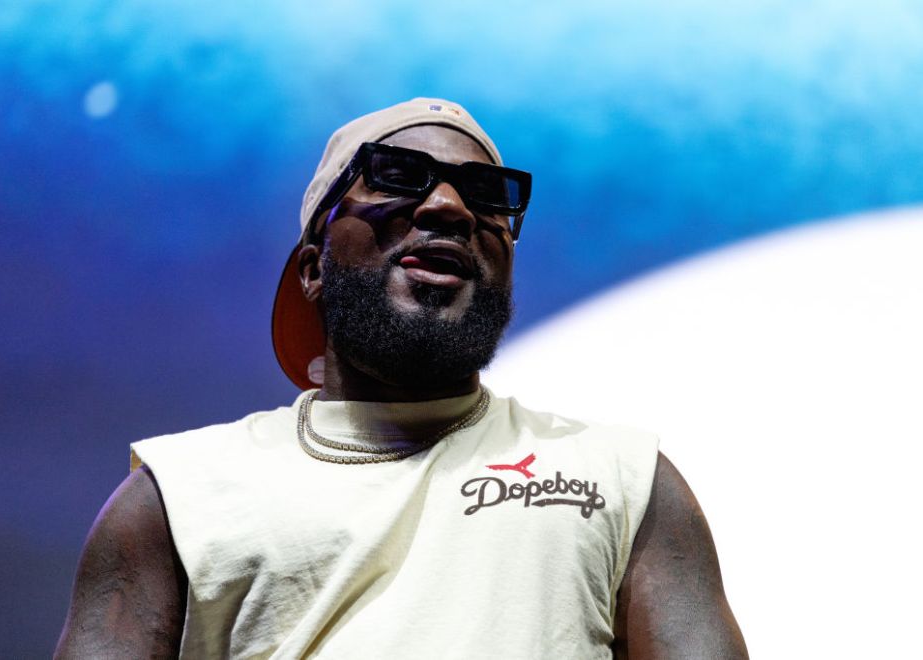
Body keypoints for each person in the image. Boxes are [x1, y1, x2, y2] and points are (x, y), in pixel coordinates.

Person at [55, 98, 748, 659]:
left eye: (486, 195)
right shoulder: (177, 495)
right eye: (394, 175)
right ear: (313, 268)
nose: (449, 207)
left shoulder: (625, 481)